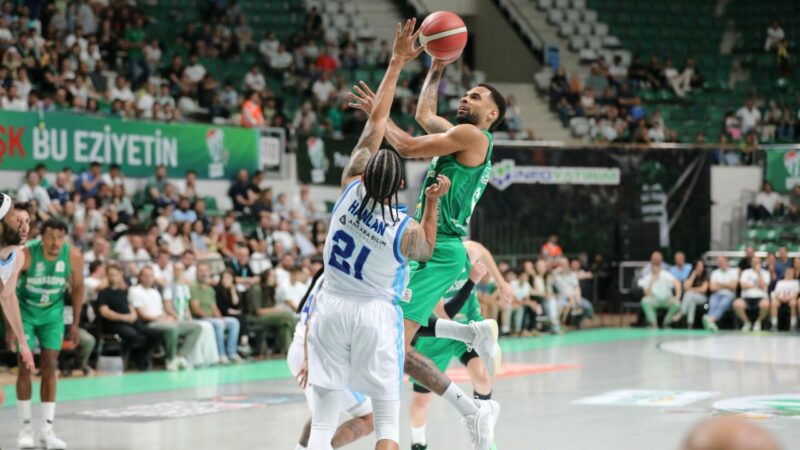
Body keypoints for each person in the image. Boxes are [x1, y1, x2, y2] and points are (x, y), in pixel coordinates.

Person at [306, 21, 484, 450]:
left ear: (361, 174)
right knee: (386, 422)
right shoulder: (401, 229)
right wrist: (434, 202)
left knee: (324, 422)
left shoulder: (347, 193)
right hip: (374, 315)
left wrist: (397, 62)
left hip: (329, 309)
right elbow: (426, 245)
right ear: (403, 187)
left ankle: (463, 354)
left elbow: (377, 129)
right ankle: (469, 392)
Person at [349, 21, 507, 449]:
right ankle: (468, 337)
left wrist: (377, 113)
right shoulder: (462, 137)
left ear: (491, 114)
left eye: (476, 96)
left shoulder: (472, 136)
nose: (466, 98)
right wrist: (437, 67)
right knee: (396, 340)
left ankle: (471, 407)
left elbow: (404, 146)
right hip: (432, 246)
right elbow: (422, 117)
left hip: (439, 249)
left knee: (394, 344)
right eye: (466, 92)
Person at [409, 249, 495, 450]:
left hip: (465, 329)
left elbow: (484, 252)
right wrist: (472, 281)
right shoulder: (428, 264)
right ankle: (418, 442)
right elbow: (444, 315)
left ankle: (484, 433)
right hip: (435, 337)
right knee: (422, 401)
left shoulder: (465, 251)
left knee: (483, 377)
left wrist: (502, 283)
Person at [15, 218, 83, 450]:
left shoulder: (73, 255)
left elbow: (78, 287)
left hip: (52, 315)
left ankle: (47, 430)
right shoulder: (26, 254)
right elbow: (6, 288)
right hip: (25, 313)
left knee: (50, 364)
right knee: (24, 365)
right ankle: (25, 429)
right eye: (50, 237)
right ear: (41, 237)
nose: (55, 242)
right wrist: (10, 326)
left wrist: (75, 323)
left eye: (60, 237)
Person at [0, 195, 36, 409]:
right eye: (15, 218)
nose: (24, 227)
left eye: (27, 221)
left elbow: (8, 296)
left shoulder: (17, 257)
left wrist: (23, 342)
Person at [129, 266, 202, 371]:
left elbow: (162, 310)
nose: (148, 278)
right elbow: (142, 314)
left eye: (151, 276)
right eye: (145, 276)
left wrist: (167, 317)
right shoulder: (135, 290)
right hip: (149, 323)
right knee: (172, 328)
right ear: (140, 277)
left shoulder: (155, 292)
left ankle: (180, 357)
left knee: (196, 327)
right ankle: (170, 359)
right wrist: (160, 319)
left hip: (162, 320)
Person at [97, 263, 162, 371]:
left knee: (155, 333)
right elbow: (104, 311)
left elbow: (131, 306)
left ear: (120, 275)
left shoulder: (124, 292)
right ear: (107, 276)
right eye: (111, 275)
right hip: (113, 324)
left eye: (116, 274)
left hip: (130, 322)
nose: (113, 277)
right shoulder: (104, 292)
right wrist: (123, 317)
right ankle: (132, 358)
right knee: (133, 335)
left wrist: (133, 315)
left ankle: (140, 356)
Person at [163, 262, 219, 367]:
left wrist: (189, 318)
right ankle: (194, 360)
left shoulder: (185, 287)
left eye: (181, 270)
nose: (179, 272)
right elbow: (168, 307)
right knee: (200, 327)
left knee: (208, 326)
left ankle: (208, 359)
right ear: (173, 271)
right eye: (176, 269)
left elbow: (186, 306)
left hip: (185, 318)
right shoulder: (169, 287)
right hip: (175, 318)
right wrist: (177, 317)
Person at [190, 263, 243, 364]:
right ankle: (221, 354)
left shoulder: (210, 289)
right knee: (218, 324)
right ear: (197, 273)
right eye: (201, 271)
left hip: (212, 318)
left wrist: (220, 318)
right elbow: (195, 309)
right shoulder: (194, 287)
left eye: (206, 271)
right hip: (200, 318)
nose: (204, 274)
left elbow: (214, 308)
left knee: (234, 322)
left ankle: (231, 352)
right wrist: (213, 319)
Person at [246, 269, 296, 355]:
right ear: (266, 277)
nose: (275, 278)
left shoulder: (270, 290)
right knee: (287, 315)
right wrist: (277, 310)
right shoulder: (256, 289)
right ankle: (298, 344)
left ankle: (289, 352)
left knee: (285, 325)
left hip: (267, 316)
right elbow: (258, 311)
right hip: (254, 318)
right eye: (273, 276)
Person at [637, 251, 682, 328]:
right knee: (644, 301)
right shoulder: (648, 277)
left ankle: (667, 322)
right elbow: (646, 294)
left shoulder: (665, 274)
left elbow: (677, 283)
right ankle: (653, 323)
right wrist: (652, 280)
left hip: (667, 300)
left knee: (677, 304)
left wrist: (677, 297)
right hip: (654, 300)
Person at [734, 255, 770, 332]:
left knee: (766, 304)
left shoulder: (766, 273)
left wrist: (758, 273)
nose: (755, 264)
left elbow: (763, 286)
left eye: (757, 262)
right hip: (746, 298)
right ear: (751, 263)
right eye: (754, 262)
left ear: (760, 263)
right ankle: (747, 323)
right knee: (737, 303)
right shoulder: (745, 272)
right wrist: (756, 285)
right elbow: (743, 286)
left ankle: (758, 322)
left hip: (761, 298)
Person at [703, 256, 739, 331]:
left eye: (722, 262)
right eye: (719, 262)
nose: (720, 263)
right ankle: (711, 322)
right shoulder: (715, 273)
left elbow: (733, 287)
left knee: (722, 303)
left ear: (727, 262)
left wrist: (719, 284)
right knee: (712, 303)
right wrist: (727, 285)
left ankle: (710, 320)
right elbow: (712, 288)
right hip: (716, 295)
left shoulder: (733, 272)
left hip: (729, 295)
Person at [674, 260, 709, 329]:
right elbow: (686, 287)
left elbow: (703, 289)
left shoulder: (705, 276)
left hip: (702, 298)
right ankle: (690, 324)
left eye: (701, 266)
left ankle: (682, 312)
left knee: (689, 294)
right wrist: (693, 275)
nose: (699, 268)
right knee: (691, 302)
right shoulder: (691, 275)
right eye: (698, 266)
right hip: (691, 298)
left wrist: (692, 290)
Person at [770, 266, 798, 332]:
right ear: (784, 273)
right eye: (787, 272)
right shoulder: (780, 282)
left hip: (791, 299)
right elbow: (776, 293)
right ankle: (774, 325)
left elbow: (796, 294)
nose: (789, 273)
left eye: (791, 272)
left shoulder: (796, 282)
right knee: (774, 302)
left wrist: (788, 298)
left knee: (793, 302)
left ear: (793, 273)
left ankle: (793, 325)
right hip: (780, 299)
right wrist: (781, 298)